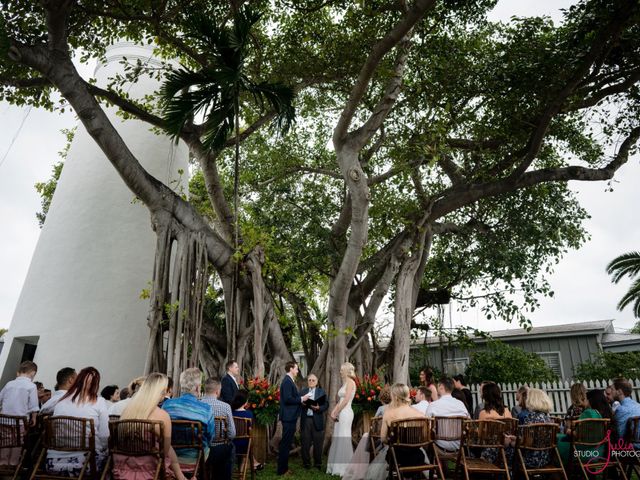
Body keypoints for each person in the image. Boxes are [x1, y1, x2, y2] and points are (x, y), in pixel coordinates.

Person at [117, 373, 186, 480]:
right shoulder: (162, 416)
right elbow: (165, 450)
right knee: (169, 449)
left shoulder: (127, 411)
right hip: (151, 470)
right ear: (162, 391)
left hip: (124, 468)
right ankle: (181, 477)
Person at [47, 367, 110, 475]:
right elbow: (104, 436)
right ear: (96, 384)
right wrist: (104, 448)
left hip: (52, 463)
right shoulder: (99, 402)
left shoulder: (61, 401)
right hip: (86, 464)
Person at [162, 368, 216, 467]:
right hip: (196, 458)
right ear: (197, 388)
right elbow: (211, 436)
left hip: (169, 456)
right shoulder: (206, 409)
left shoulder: (167, 405)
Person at [557, 389, 612, 464]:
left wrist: (568, 430)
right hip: (599, 451)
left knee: (556, 441)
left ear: (590, 400)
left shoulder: (589, 413)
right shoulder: (605, 415)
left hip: (582, 452)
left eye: (585, 399)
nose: (583, 401)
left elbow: (577, 435)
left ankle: (563, 473)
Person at [381, 384, 427, 472]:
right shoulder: (420, 415)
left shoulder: (388, 414)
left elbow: (383, 439)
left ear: (395, 397)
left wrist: (392, 442)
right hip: (417, 456)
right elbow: (424, 438)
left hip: (396, 457)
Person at [277, 361, 310, 476]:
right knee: (285, 443)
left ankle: (284, 468)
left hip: (291, 416)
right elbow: (287, 399)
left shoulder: (290, 381)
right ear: (291, 369)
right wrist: (302, 399)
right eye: (296, 369)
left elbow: (291, 398)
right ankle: (282, 470)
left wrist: (302, 400)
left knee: (287, 442)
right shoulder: (287, 381)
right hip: (288, 417)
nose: (297, 371)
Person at [201, 378, 236, 480]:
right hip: (220, 449)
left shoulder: (197, 405)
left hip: (200, 449)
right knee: (230, 448)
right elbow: (232, 434)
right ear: (217, 391)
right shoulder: (225, 407)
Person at [326, 362, 356, 476]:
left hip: (346, 413)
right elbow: (340, 401)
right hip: (341, 412)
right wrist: (334, 411)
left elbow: (346, 399)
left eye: (341, 369)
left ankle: (344, 467)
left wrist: (337, 411)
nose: (340, 371)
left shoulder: (351, 382)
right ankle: (335, 466)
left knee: (344, 437)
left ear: (347, 371)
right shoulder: (344, 383)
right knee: (338, 436)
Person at [426, 377, 469, 452]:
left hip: (440, 445)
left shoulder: (433, 405)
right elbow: (468, 422)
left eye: (438, 386)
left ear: (441, 387)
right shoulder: (460, 404)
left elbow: (427, 426)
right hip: (459, 445)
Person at [300, 373, 328, 470]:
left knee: (318, 443)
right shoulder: (303, 392)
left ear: (316, 382)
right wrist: (302, 404)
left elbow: (326, 405)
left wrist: (319, 407)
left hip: (317, 419)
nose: (311, 382)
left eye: (313, 380)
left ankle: (318, 464)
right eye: (309, 380)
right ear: (307, 382)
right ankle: (306, 463)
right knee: (305, 442)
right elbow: (298, 404)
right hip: (306, 420)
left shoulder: (321, 392)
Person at [519, 388, 553, 468]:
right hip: (546, 459)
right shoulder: (548, 419)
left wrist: (516, 441)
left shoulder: (531, 418)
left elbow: (528, 444)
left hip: (530, 459)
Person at [230, 391, 262, 471]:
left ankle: (250, 466)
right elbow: (249, 429)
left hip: (231, 443)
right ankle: (241, 472)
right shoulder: (249, 414)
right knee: (248, 441)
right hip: (243, 446)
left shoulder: (230, 413)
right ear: (245, 402)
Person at [612, 378, 640, 447]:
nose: (611, 392)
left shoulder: (620, 410)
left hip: (630, 448)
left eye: (613, 389)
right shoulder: (638, 406)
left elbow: (620, 437)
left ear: (619, 392)